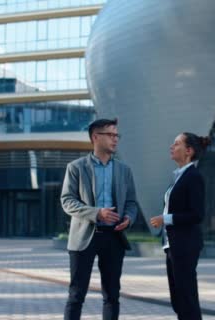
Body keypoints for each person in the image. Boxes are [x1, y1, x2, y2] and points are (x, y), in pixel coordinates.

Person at [61, 118, 138, 320]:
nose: (115, 139)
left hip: (114, 237)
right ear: (96, 137)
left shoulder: (124, 170)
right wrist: (96, 213)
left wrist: (129, 218)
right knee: (76, 294)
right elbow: (67, 201)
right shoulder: (76, 167)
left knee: (112, 295)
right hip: (84, 237)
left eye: (116, 135)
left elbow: (131, 202)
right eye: (110, 135)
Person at [150, 132, 210, 320]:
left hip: (185, 245)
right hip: (173, 245)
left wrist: (165, 219)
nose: (171, 147)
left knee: (186, 298)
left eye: (176, 144)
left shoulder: (193, 176)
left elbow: (197, 214)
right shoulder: (179, 176)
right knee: (178, 299)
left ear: (189, 151)